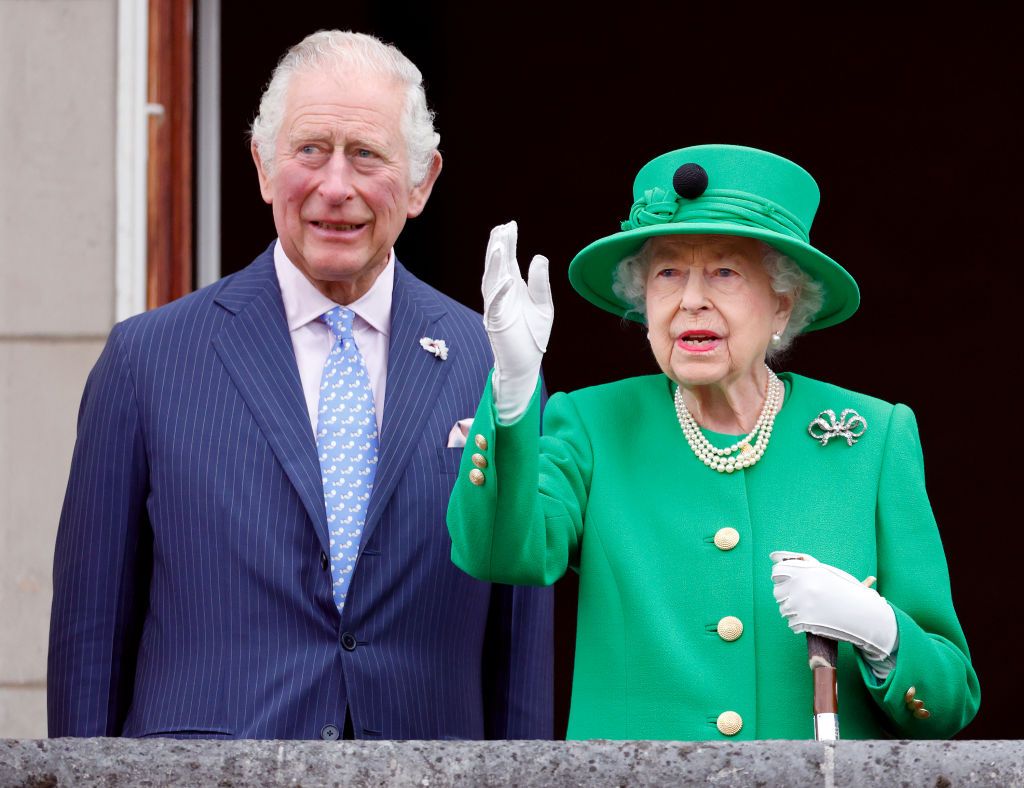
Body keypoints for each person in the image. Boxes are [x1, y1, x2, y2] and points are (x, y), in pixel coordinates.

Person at [47, 30, 552, 741]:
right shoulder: (147, 360)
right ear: (262, 165)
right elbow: (90, 638)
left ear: (421, 182)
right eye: (310, 149)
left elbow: (519, 639)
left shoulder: (491, 361)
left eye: (367, 155)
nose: (335, 186)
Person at [447, 144, 980, 740]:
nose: (690, 300)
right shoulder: (594, 422)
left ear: (783, 302)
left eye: (724, 272)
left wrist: (882, 634)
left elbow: (949, 700)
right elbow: (500, 553)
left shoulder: (874, 437)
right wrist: (514, 391)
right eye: (668, 272)